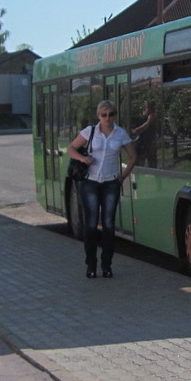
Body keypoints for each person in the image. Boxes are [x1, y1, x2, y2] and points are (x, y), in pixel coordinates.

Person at [67, 100, 137, 279]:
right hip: (90, 182)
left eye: (111, 114)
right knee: (90, 224)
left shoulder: (120, 133)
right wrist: (83, 160)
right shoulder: (90, 132)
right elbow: (72, 149)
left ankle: (107, 265)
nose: (108, 118)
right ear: (98, 116)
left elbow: (133, 156)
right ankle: (91, 264)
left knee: (109, 224)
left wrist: (123, 177)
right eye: (104, 115)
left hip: (110, 183)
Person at [130, 101, 158, 168]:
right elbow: (134, 132)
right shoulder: (136, 119)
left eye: (153, 109)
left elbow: (157, 132)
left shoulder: (154, 120)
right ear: (144, 109)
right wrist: (148, 122)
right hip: (140, 148)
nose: (152, 111)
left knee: (153, 168)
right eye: (150, 108)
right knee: (139, 169)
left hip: (151, 148)